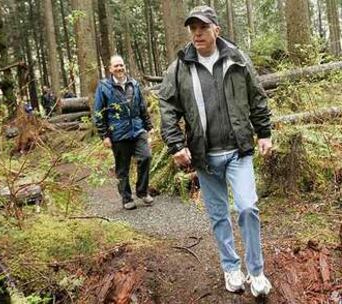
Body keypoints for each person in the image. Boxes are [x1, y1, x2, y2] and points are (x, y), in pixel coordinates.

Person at [159, 6, 273, 297]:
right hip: (204, 156)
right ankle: (231, 267)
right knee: (219, 214)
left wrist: (264, 133)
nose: (197, 34)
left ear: (216, 30)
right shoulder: (180, 67)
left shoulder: (237, 58)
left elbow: (256, 96)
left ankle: (257, 272)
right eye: (193, 29)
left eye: (203, 28)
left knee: (247, 207)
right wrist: (175, 144)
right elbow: (168, 106)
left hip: (238, 150)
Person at [93, 55, 154, 210]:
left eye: (121, 65)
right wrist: (104, 135)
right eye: (116, 66)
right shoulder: (104, 87)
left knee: (146, 156)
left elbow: (142, 108)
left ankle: (142, 191)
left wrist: (149, 126)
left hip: (137, 129)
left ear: (124, 66)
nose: (119, 68)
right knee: (122, 168)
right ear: (110, 69)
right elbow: (99, 112)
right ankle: (126, 198)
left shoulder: (133, 84)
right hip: (118, 133)